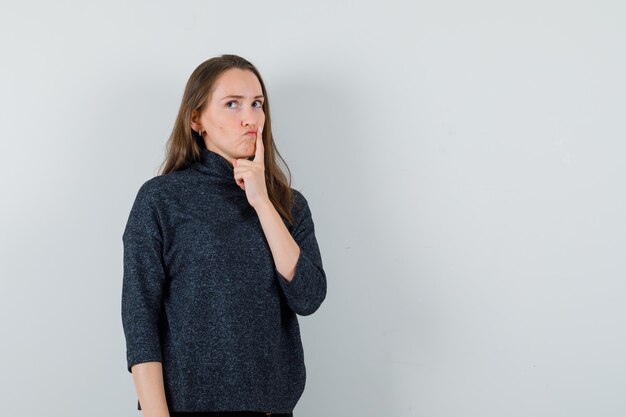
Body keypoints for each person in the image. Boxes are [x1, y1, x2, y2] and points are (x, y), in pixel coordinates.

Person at [121, 54, 328, 417]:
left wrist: (263, 202)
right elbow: (140, 320)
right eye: (232, 104)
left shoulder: (288, 204)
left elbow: (308, 297)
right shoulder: (161, 199)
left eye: (257, 104)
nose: (251, 118)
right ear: (196, 118)